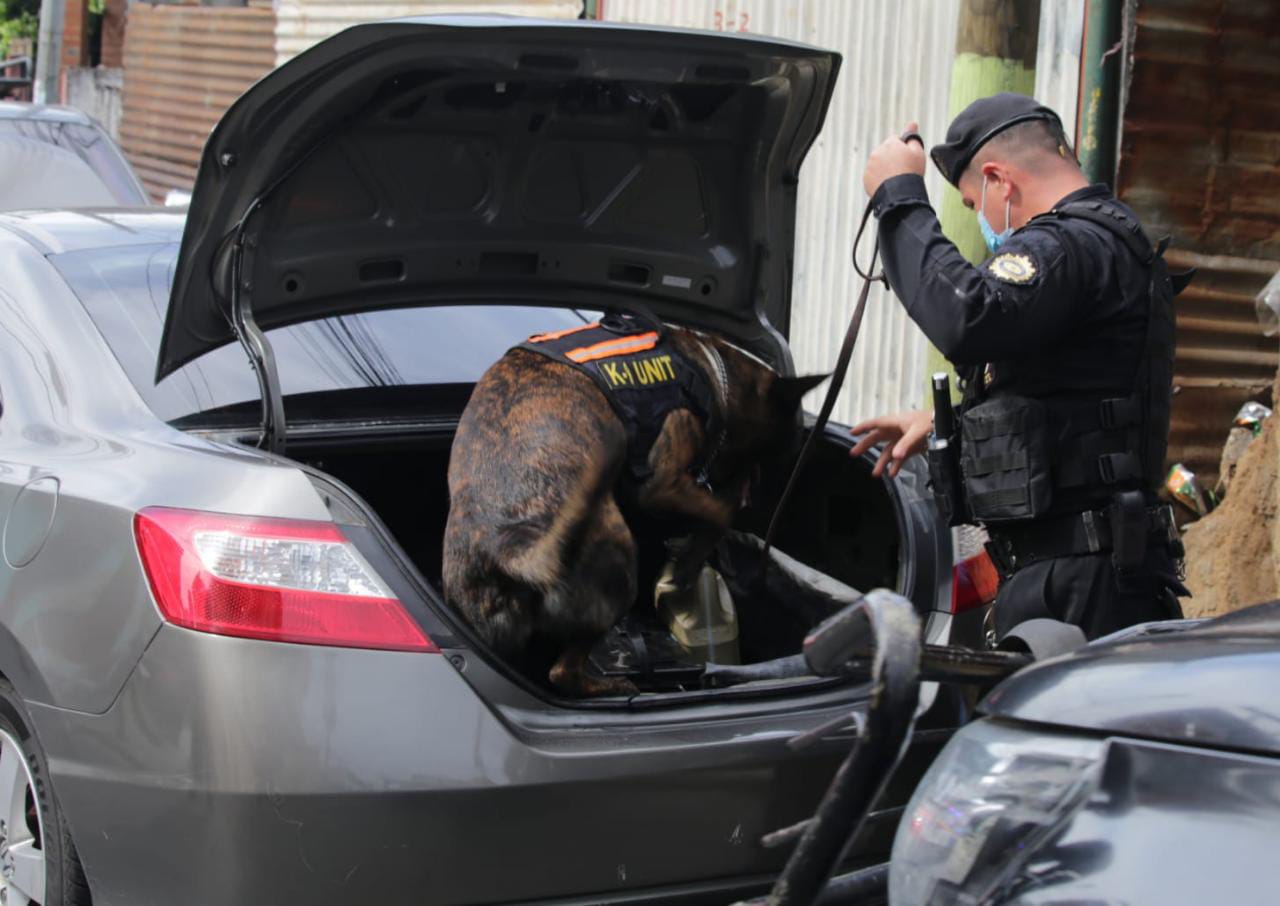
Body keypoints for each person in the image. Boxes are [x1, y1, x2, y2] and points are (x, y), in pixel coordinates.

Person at [849, 93, 1189, 641]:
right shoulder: (1105, 243)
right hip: (1086, 572)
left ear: (998, 181)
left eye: (970, 203)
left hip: (1083, 582)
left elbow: (968, 315)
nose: (979, 220)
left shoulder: (1068, 245)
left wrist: (899, 197)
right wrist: (947, 423)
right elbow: (1069, 397)